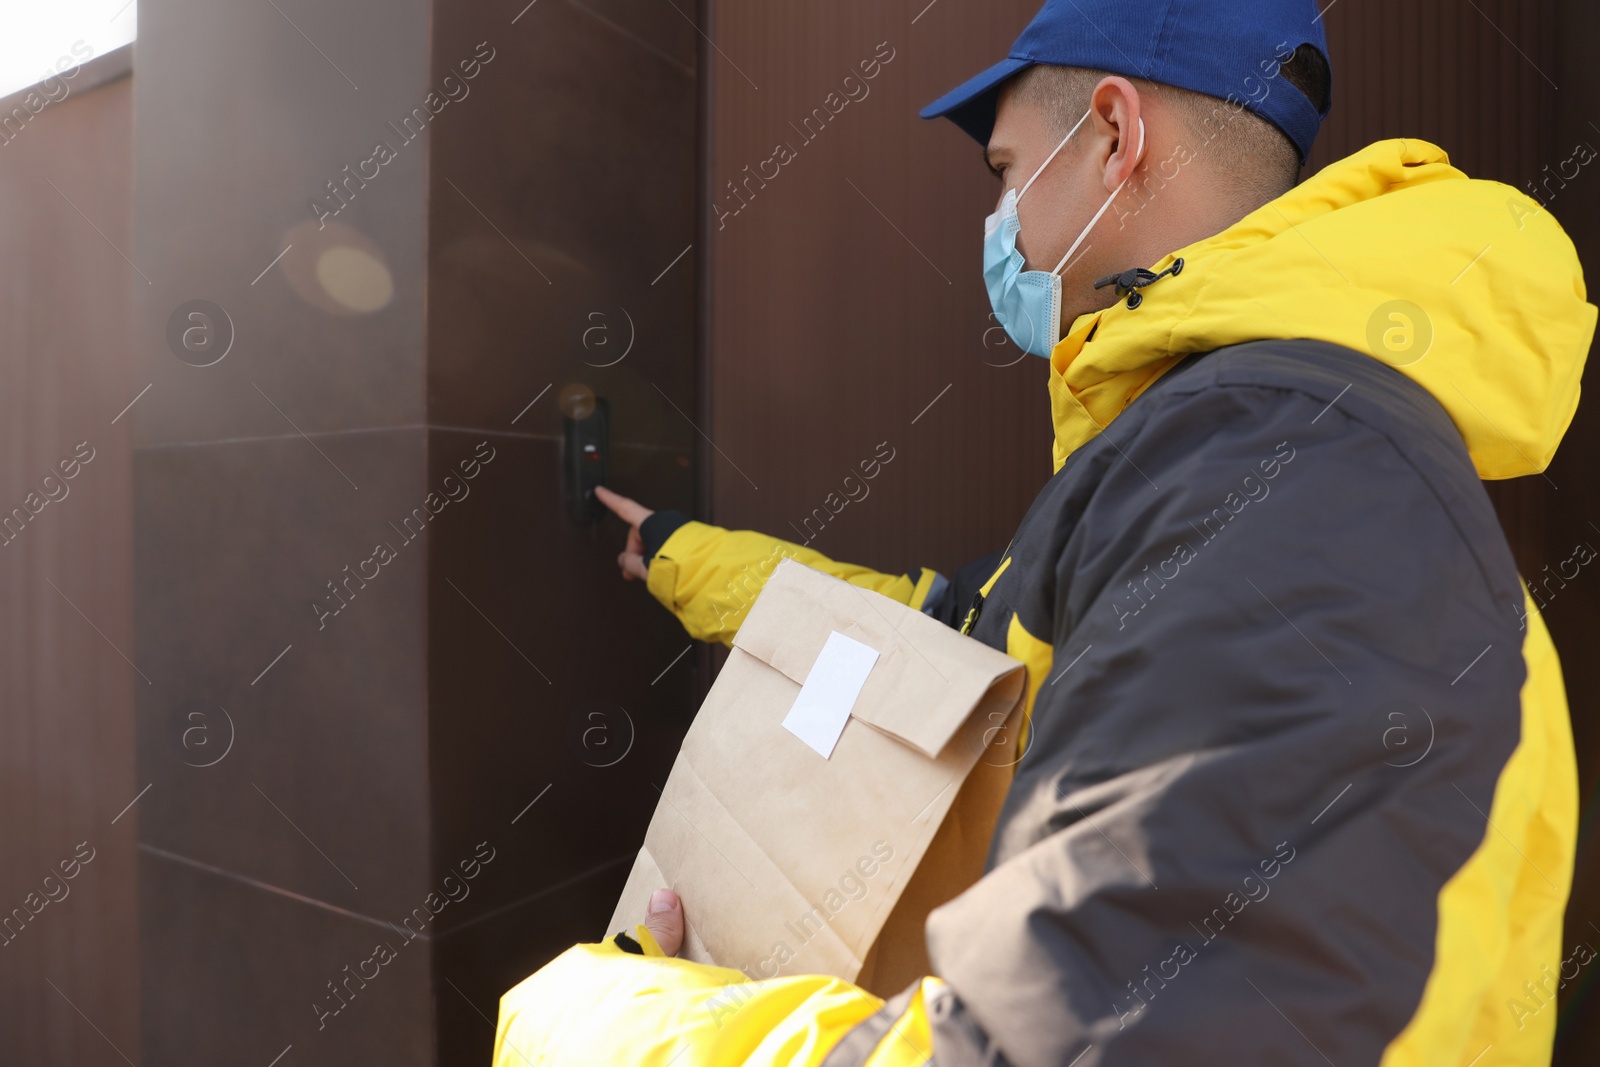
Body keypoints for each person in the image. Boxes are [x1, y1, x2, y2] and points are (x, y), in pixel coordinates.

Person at [496, 0, 1596, 1063]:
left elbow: (1097, 1037)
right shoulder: (1225, 441)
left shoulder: (1284, 475)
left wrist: (609, 1029)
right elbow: (964, 632)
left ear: (1113, 135)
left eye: (1007, 172)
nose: (1000, 222)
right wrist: (690, 557)